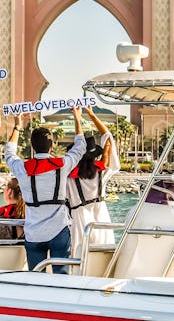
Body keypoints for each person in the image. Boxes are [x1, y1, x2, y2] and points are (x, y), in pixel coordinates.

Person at [5, 109, 86, 274]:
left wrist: (17, 127)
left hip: (33, 232)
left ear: (32, 147)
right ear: (52, 146)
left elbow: (9, 153)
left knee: (35, 279)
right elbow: (80, 147)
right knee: (61, 278)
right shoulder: (62, 165)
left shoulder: (22, 168)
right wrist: (77, 118)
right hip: (59, 230)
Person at [66, 107, 120, 253]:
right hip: (101, 217)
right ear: (95, 156)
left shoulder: (69, 179)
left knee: (78, 259)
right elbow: (108, 137)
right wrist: (91, 114)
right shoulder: (103, 173)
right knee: (103, 255)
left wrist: (77, 118)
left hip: (79, 219)